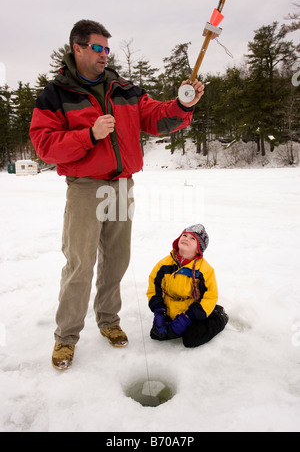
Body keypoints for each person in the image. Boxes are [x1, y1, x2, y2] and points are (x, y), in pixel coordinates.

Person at [29, 20, 205, 371]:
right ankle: (66, 337)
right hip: (85, 187)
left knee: (117, 259)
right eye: (97, 48)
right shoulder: (56, 94)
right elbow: (44, 145)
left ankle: (108, 319)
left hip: (122, 185)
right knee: (80, 263)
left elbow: (154, 117)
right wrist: (89, 135)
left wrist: (182, 105)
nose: (104, 55)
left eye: (107, 49)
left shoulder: (123, 88)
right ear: (77, 48)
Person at [147, 224, 228, 347]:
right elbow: (155, 289)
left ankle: (218, 316)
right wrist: (159, 312)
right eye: (184, 235)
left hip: (193, 313)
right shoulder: (164, 264)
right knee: (156, 334)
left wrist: (187, 318)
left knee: (191, 339)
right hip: (171, 311)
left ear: (198, 249)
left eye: (192, 238)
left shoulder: (205, 270)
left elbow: (209, 296)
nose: (186, 238)